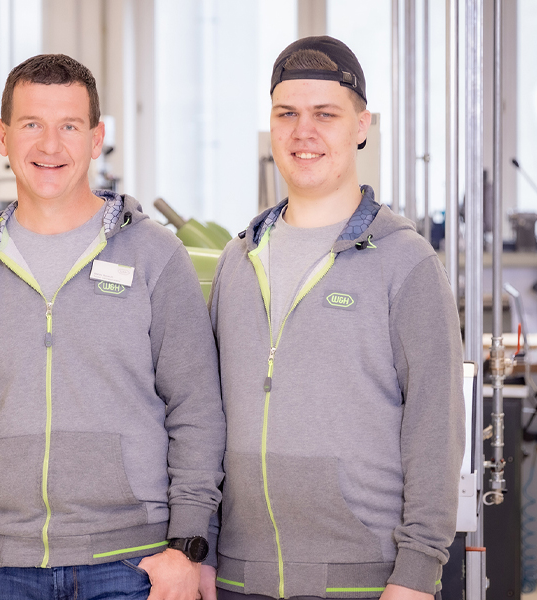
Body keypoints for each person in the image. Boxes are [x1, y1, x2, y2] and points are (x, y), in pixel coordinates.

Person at [0, 53, 225, 600]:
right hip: (0, 564)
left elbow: (196, 408)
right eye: (32, 124)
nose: (50, 146)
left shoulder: (156, 257)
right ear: (3, 137)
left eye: (69, 126)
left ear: (96, 137)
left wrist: (188, 544)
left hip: (133, 564)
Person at [199, 36, 464, 600]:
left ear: (361, 125)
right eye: (287, 114)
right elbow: (205, 417)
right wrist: (198, 544)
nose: (304, 133)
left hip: (364, 580)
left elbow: (435, 426)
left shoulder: (405, 261)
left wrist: (417, 574)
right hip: (239, 575)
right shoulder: (238, 260)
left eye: (325, 114)